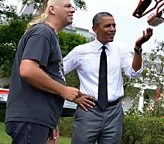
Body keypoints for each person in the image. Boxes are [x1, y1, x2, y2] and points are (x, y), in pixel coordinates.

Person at [63, 12, 152, 144]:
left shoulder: (120, 49)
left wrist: (138, 49)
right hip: (89, 109)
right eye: (107, 26)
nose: (112, 29)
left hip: (114, 112)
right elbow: (57, 73)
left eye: (114, 25)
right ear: (95, 29)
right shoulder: (80, 51)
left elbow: (134, 73)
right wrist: (72, 95)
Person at [5, 0, 81, 144]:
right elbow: (28, 70)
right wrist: (63, 90)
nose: (73, 10)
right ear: (52, 9)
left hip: (38, 118)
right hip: (30, 118)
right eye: (67, 6)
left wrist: (50, 120)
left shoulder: (48, 34)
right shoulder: (42, 32)